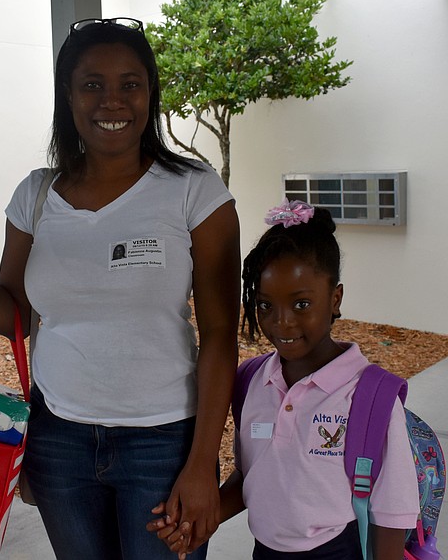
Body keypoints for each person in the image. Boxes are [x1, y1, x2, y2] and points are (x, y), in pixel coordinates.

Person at [0, 17, 240, 559]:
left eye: (130, 83)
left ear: (150, 93)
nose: (112, 101)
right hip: (60, 443)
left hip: (163, 442)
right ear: (68, 97)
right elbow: (14, 318)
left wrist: (201, 465)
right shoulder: (36, 194)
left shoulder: (194, 191)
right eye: (92, 84)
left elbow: (220, 335)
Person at [149, 200, 418, 559]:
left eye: (301, 304)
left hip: (338, 551)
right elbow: (253, 479)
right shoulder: (250, 382)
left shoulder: (370, 396)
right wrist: (195, 523)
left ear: (335, 298)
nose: (282, 322)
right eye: (265, 305)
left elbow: (393, 508)